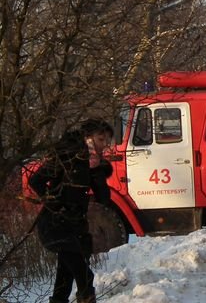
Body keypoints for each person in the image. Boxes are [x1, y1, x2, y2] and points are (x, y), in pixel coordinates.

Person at [29, 117, 115, 303]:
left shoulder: (92, 164)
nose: (105, 145)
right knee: (85, 277)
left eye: (107, 140)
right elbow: (36, 181)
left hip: (75, 227)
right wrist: (57, 207)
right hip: (55, 224)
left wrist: (97, 169)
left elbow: (103, 199)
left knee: (64, 280)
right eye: (101, 139)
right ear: (88, 138)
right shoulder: (66, 156)